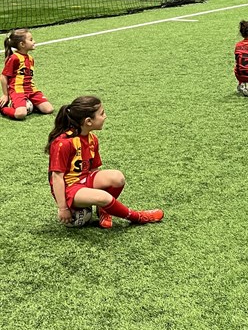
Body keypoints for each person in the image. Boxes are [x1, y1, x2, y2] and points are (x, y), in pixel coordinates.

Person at [46, 96, 163, 227]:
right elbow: (56, 177)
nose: (105, 116)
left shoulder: (92, 139)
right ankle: (137, 217)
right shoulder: (63, 143)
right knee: (103, 197)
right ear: (88, 121)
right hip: (69, 189)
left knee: (117, 178)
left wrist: (94, 193)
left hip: (84, 179)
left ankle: (104, 210)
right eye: (102, 114)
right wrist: (63, 208)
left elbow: (94, 170)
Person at [1, 28, 54, 120]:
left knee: (49, 109)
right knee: (20, 114)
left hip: (31, 90)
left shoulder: (30, 58)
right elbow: (3, 76)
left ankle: (28, 104)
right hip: (18, 90)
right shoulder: (14, 58)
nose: (34, 41)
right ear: (22, 44)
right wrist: (6, 95)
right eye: (31, 40)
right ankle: (2, 108)